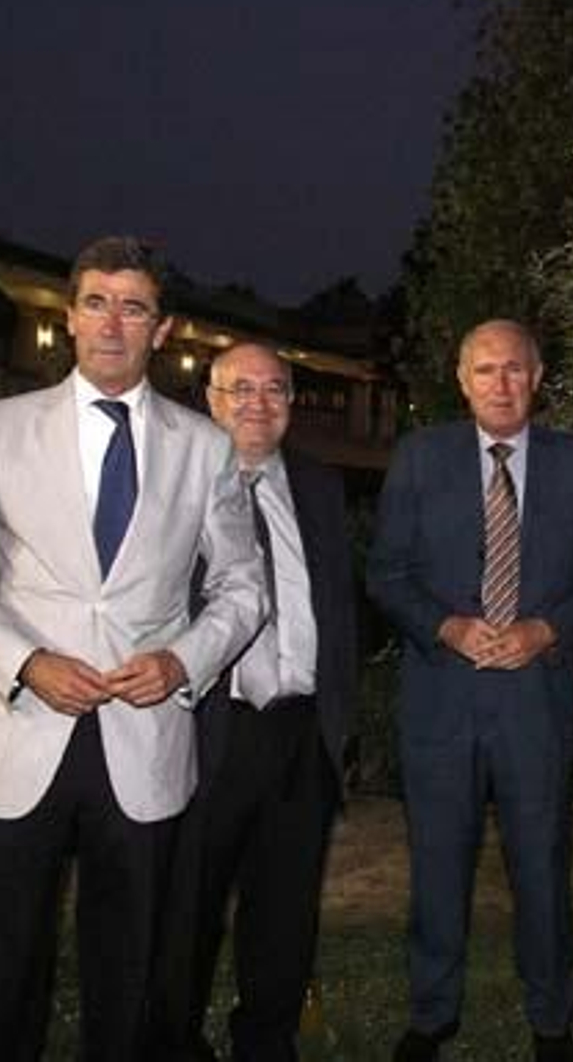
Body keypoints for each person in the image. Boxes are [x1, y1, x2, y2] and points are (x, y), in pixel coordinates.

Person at [0, 235, 265, 1061]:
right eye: (97, 302)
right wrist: (27, 663)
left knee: (129, 976)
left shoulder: (205, 446)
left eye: (134, 306)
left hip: (144, 749)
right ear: (69, 317)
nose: (114, 322)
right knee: (1, 976)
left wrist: (183, 660)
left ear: (162, 327)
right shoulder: (0, 429)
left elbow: (244, 588)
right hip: (19, 739)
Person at [366, 319, 573, 1062]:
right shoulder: (420, 457)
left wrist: (547, 630)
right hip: (441, 698)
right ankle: (432, 1013)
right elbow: (386, 573)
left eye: (514, 369)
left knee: (541, 865)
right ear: (461, 378)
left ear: (537, 377)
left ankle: (550, 1018)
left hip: (534, 702)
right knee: (437, 865)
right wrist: (446, 627)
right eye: (485, 370)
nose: (500, 384)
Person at [152, 343, 359, 1060]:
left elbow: (337, 607)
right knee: (189, 907)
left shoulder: (319, 484)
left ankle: (266, 1043)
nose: (257, 403)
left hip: (301, 736)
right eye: (239, 389)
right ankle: (173, 1042)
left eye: (274, 390)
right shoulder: (172, 486)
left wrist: (338, 723)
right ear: (209, 399)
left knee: (284, 911)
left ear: (292, 403)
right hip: (212, 731)